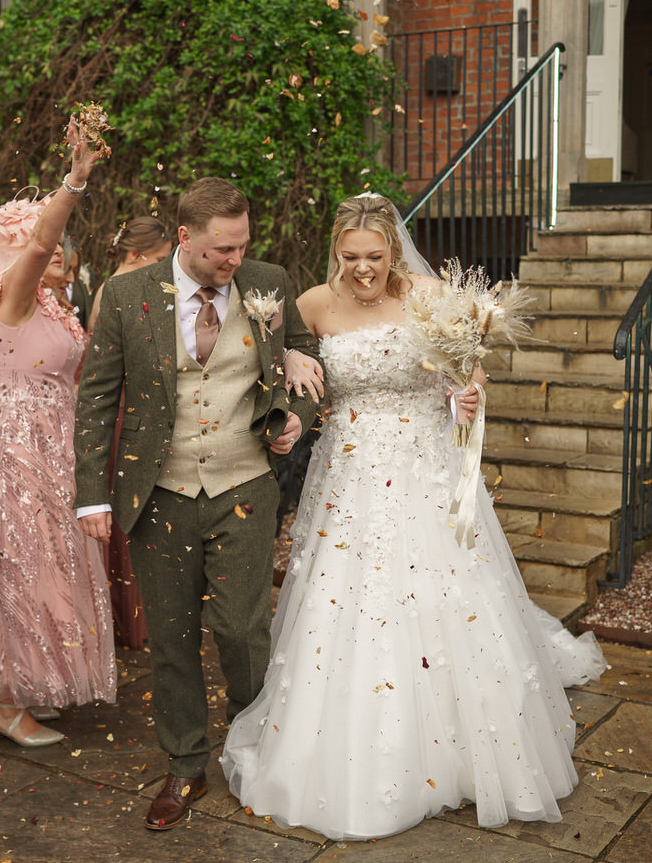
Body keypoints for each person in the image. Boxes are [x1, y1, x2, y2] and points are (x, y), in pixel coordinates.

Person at [217, 193, 604, 839]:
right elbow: (274, 354)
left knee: (446, 593)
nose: (363, 269)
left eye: (374, 256)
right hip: (346, 471)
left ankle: (463, 746)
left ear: (394, 250)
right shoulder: (312, 303)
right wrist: (287, 357)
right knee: (348, 602)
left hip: (426, 463)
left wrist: (471, 391)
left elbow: (468, 370)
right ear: (334, 251)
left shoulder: (429, 293)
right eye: (350, 257)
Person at [74, 176, 321, 830]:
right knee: (174, 636)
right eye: (221, 251)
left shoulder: (271, 281)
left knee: (242, 628)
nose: (235, 261)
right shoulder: (127, 296)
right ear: (184, 237)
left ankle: (255, 746)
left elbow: (308, 362)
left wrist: (295, 413)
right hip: (161, 492)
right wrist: (90, 496)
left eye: (242, 246)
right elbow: (97, 397)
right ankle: (184, 762)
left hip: (245, 483)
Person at [0, 119, 114, 746]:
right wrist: (73, 182)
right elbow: (40, 248)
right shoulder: (11, 298)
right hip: (13, 446)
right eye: (40, 244)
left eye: (62, 244)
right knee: (14, 562)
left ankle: (25, 679)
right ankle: (2, 703)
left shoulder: (58, 309)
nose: (56, 250)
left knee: (45, 564)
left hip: (54, 443)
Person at [86, 216, 174, 649]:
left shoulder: (138, 287)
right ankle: (125, 620)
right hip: (122, 412)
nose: (164, 267)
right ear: (137, 255)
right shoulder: (112, 292)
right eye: (159, 259)